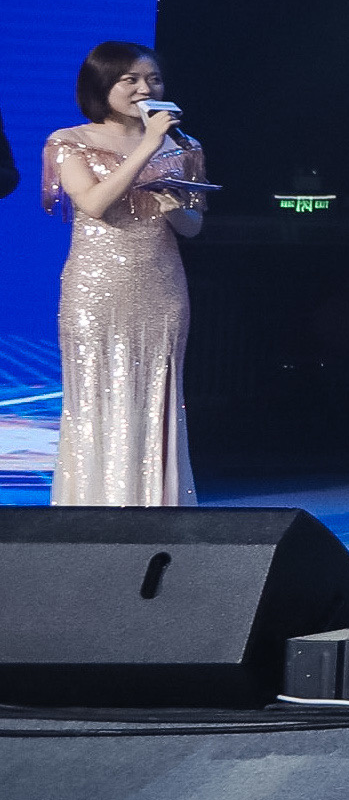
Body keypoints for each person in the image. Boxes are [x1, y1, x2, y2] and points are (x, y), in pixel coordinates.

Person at [42, 42, 205, 506]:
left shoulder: (185, 146)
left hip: (162, 284)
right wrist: (149, 146)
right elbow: (93, 203)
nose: (144, 89)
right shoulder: (69, 140)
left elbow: (193, 227)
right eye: (129, 80)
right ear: (101, 85)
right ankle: (94, 507)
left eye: (153, 79)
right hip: (97, 286)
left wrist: (173, 206)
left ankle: (156, 506)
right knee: (97, 393)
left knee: (157, 395)